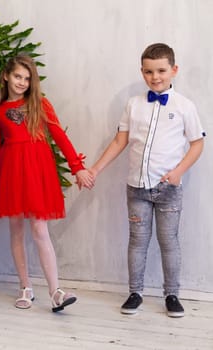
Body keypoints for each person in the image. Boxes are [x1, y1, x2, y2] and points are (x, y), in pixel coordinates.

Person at [88, 43, 205, 318]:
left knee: (169, 241)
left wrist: (178, 172)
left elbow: (197, 144)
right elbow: (120, 141)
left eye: (162, 71)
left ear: (173, 70)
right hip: (137, 188)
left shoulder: (185, 106)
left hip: (168, 188)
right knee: (137, 241)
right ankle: (135, 292)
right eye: (149, 71)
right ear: (142, 72)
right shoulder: (134, 105)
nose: (156, 77)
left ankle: (172, 294)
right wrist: (95, 169)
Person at [0, 53, 94, 312]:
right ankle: (25, 287)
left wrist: (77, 168)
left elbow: (59, 137)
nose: (22, 82)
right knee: (16, 230)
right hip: (10, 172)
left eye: (27, 78)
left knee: (39, 230)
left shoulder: (40, 104)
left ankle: (55, 291)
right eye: (18, 77)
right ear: (6, 76)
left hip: (37, 171)